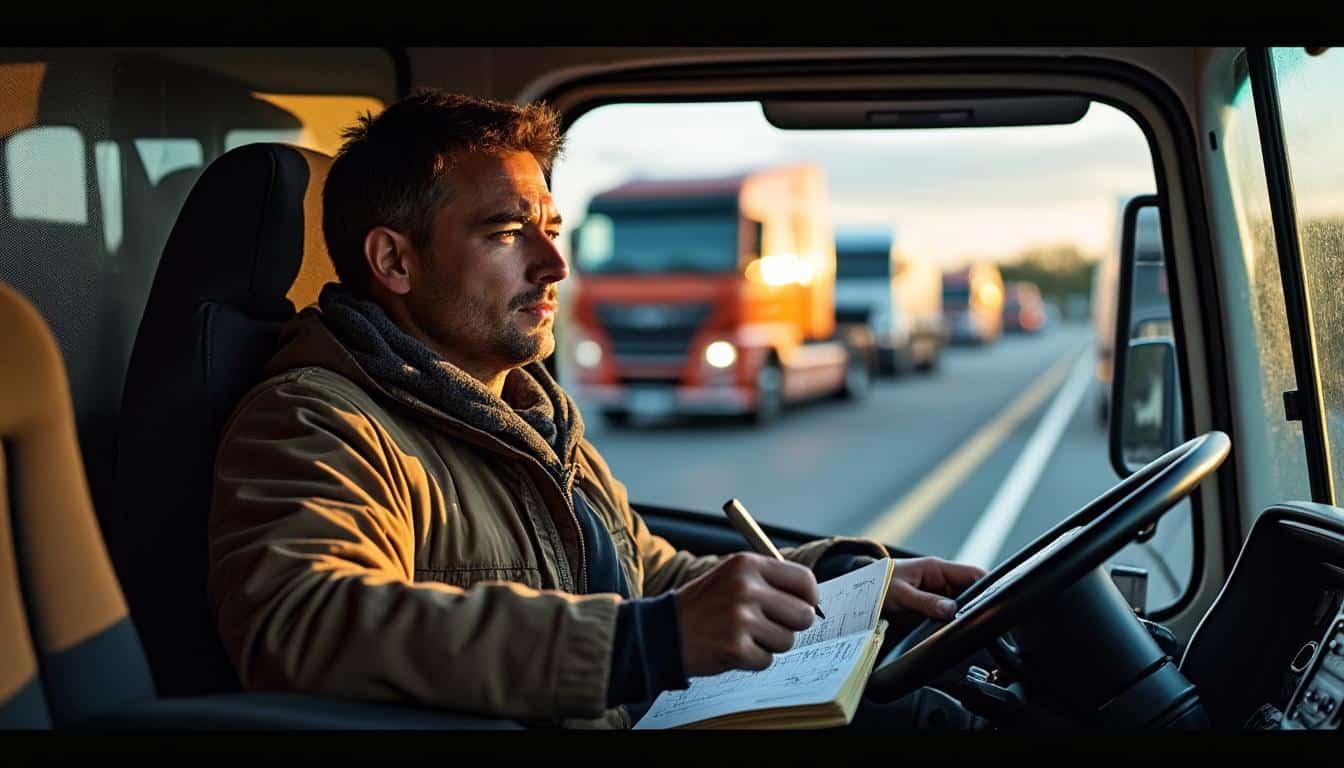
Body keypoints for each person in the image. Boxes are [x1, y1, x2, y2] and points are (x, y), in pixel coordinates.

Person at [207, 89, 986, 729]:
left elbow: (651, 571)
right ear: (393, 261)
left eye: (551, 228)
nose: (556, 265)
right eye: (509, 233)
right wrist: (647, 642)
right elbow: (299, 622)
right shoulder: (316, 420)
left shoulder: (527, 414)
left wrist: (844, 584)